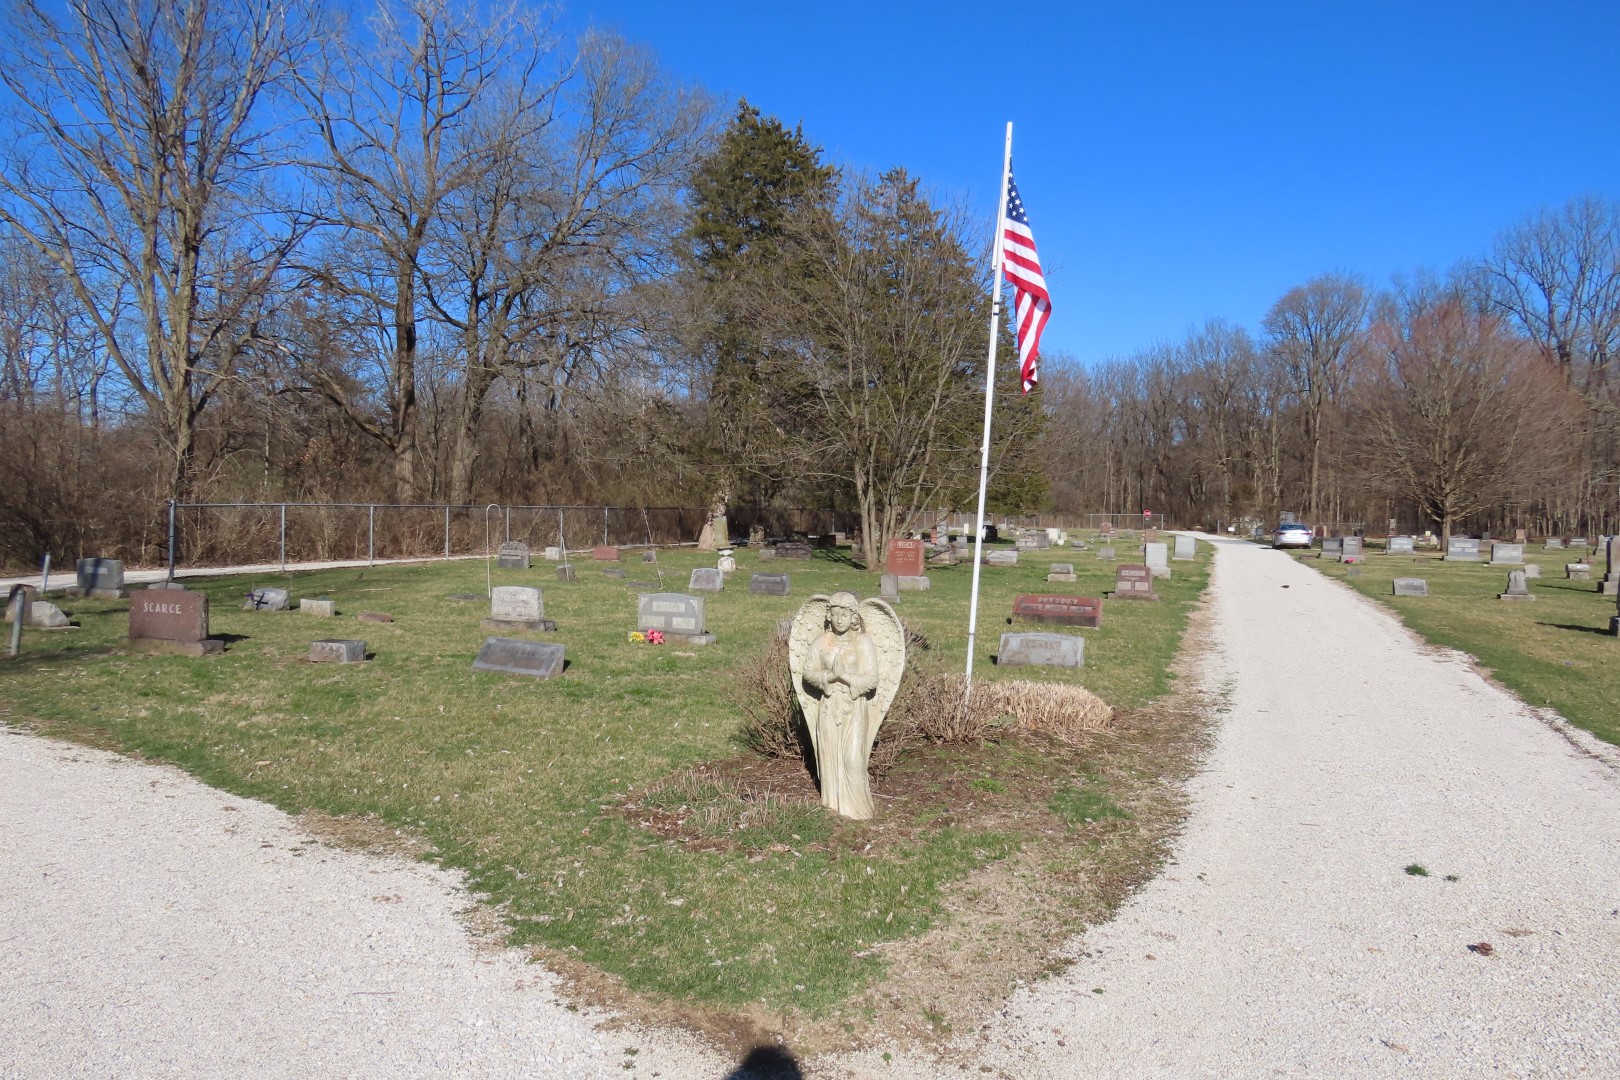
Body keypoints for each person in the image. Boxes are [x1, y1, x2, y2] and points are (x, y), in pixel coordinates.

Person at [800, 592, 881, 819]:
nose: (839, 619)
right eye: (834, 614)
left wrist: (845, 677)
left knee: (853, 760)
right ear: (829, 616)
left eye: (844, 614)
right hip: (828, 706)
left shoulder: (863, 643)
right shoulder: (820, 642)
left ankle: (858, 809)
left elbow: (872, 678)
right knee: (830, 757)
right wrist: (828, 677)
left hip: (854, 707)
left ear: (853, 616)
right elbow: (808, 672)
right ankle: (834, 805)